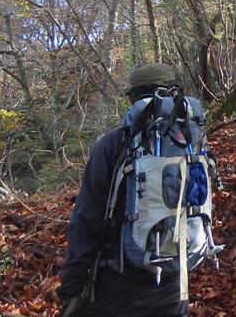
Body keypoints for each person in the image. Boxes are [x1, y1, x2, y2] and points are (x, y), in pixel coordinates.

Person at [59, 63, 187, 317]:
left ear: (133, 98)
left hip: (116, 289)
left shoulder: (113, 144)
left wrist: (71, 285)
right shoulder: (191, 142)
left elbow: (87, 220)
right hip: (175, 284)